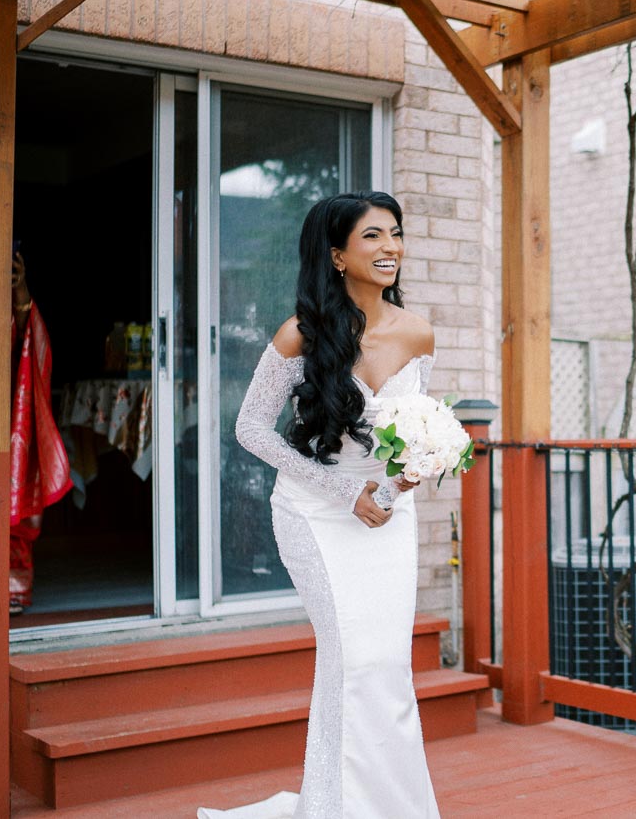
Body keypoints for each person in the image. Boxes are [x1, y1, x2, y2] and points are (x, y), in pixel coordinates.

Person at [200, 192, 441, 818]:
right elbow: (250, 428)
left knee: (386, 665)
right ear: (336, 255)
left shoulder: (418, 332)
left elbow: (416, 424)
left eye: (396, 233)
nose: (391, 246)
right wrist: (342, 490)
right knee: (353, 660)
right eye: (372, 236)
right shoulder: (300, 334)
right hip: (316, 512)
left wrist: (413, 468)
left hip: (389, 517)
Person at [9, 250, 71, 615]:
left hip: (9, 408)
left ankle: (14, 590)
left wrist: (19, 291)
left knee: (15, 490)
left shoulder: (14, 299)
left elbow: (27, 336)